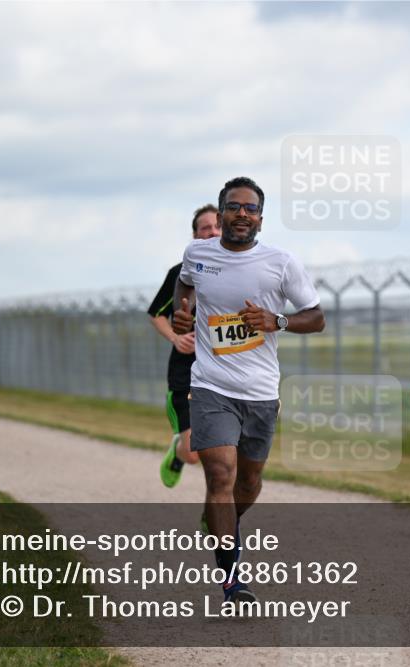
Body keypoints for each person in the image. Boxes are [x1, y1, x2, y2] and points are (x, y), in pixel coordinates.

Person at [172, 176, 324, 604]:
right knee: (221, 474)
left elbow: (316, 317)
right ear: (220, 215)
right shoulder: (197, 254)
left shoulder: (280, 262)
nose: (243, 214)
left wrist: (277, 322)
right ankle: (231, 577)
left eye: (251, 208)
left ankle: (218, 519)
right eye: (234, 207)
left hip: (260, 392)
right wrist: (183, 313)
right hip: (210, 385)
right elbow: (185, 284)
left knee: (249, 484)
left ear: (261, 217)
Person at [148, 204, 221, 487]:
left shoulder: (240, 272)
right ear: (195, 235)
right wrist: (176, 338)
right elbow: (156, 314)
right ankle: (178, 453)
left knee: (223, 453)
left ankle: (216, 516)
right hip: (186, 373)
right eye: (206, 227)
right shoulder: (180, 273)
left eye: (218, 226)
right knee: (194, 454)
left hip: (224, 372)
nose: (213, 232)